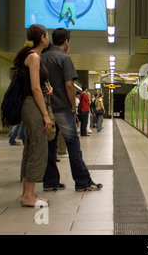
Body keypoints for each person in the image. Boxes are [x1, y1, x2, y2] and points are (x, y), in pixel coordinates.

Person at [41, 27, 102, 192]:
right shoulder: (64, 58)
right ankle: (82, 181)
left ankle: (50, 182)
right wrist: (72, 106)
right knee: (73, 145)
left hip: (46, 109)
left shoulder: (42, 57)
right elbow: (69, 84)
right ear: (66, 41)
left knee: (50, 146)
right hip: (62, 107)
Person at [15, 24, 53, 208]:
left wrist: (47, 91)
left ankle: (27, 193)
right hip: (32, 105)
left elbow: (37, 86)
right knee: (38, 148)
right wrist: (45, 115)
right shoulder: (34, 57)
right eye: (47, 35)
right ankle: (28, 196)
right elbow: (35, 88)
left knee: (30, 148)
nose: (49, 38)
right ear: (43, 38)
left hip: (30, 104)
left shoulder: (29, 55)